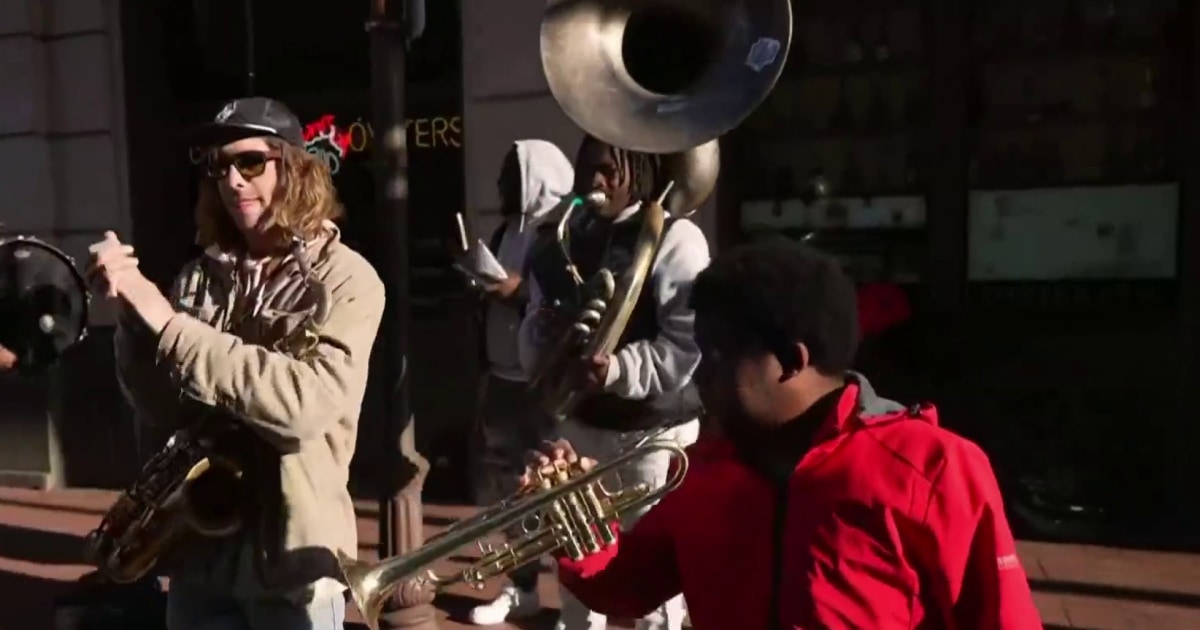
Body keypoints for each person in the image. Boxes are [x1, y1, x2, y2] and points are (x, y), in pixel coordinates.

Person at [525, 238, 1044, 629]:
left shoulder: (932, 465)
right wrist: (576, 524)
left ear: (791, 362)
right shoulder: (708, 468)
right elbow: (628, 588)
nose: (698, 377)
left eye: (717, 355)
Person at [89, 97, 386, 630]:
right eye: (217, 165)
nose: (232, 180)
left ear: (294, 168)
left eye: (250, 162)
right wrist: (135, 321)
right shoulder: (199, 277)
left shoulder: (349, 279)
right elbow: (162, 408)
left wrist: (170, 325)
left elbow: (305, 406)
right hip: (201, 549)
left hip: (293, 559)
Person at [518, 135, 710, 630]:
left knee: (648, 575)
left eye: (607, 170)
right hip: (580, 422)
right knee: (578, 557)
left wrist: (617, 368)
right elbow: (536, 318)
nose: (593, 182)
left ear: (641, 172)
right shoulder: (563, 236)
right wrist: (544, 336)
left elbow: (688, 344)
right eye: (586, 169)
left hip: (648, 431)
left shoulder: (676, 238)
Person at [468, 140, 575, 625]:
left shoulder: (562, 231)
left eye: (510, 176)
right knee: (512, 494)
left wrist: (512, 291)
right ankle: (523, 587)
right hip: (503, 380)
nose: (500, 186)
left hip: (544, 387)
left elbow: (552, 299)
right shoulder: (507, 229)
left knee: (564, 493)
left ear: (534, 178)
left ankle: (580, 599)